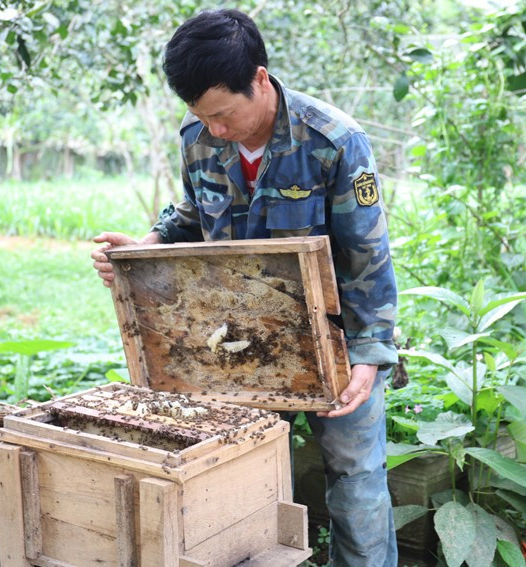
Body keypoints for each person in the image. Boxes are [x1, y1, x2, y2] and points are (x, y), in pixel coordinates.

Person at [91, 9, 398, 566]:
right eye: (201, 116)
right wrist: (147, 246)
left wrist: (369, 355)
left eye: (223, 114)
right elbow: (194, 212)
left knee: (356, 479)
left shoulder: (334, 140)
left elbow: (366, 256)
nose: (215, 130)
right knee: (238, 473)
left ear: (259, 79)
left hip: (336, 342)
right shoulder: (197, 138)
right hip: (238, 346)